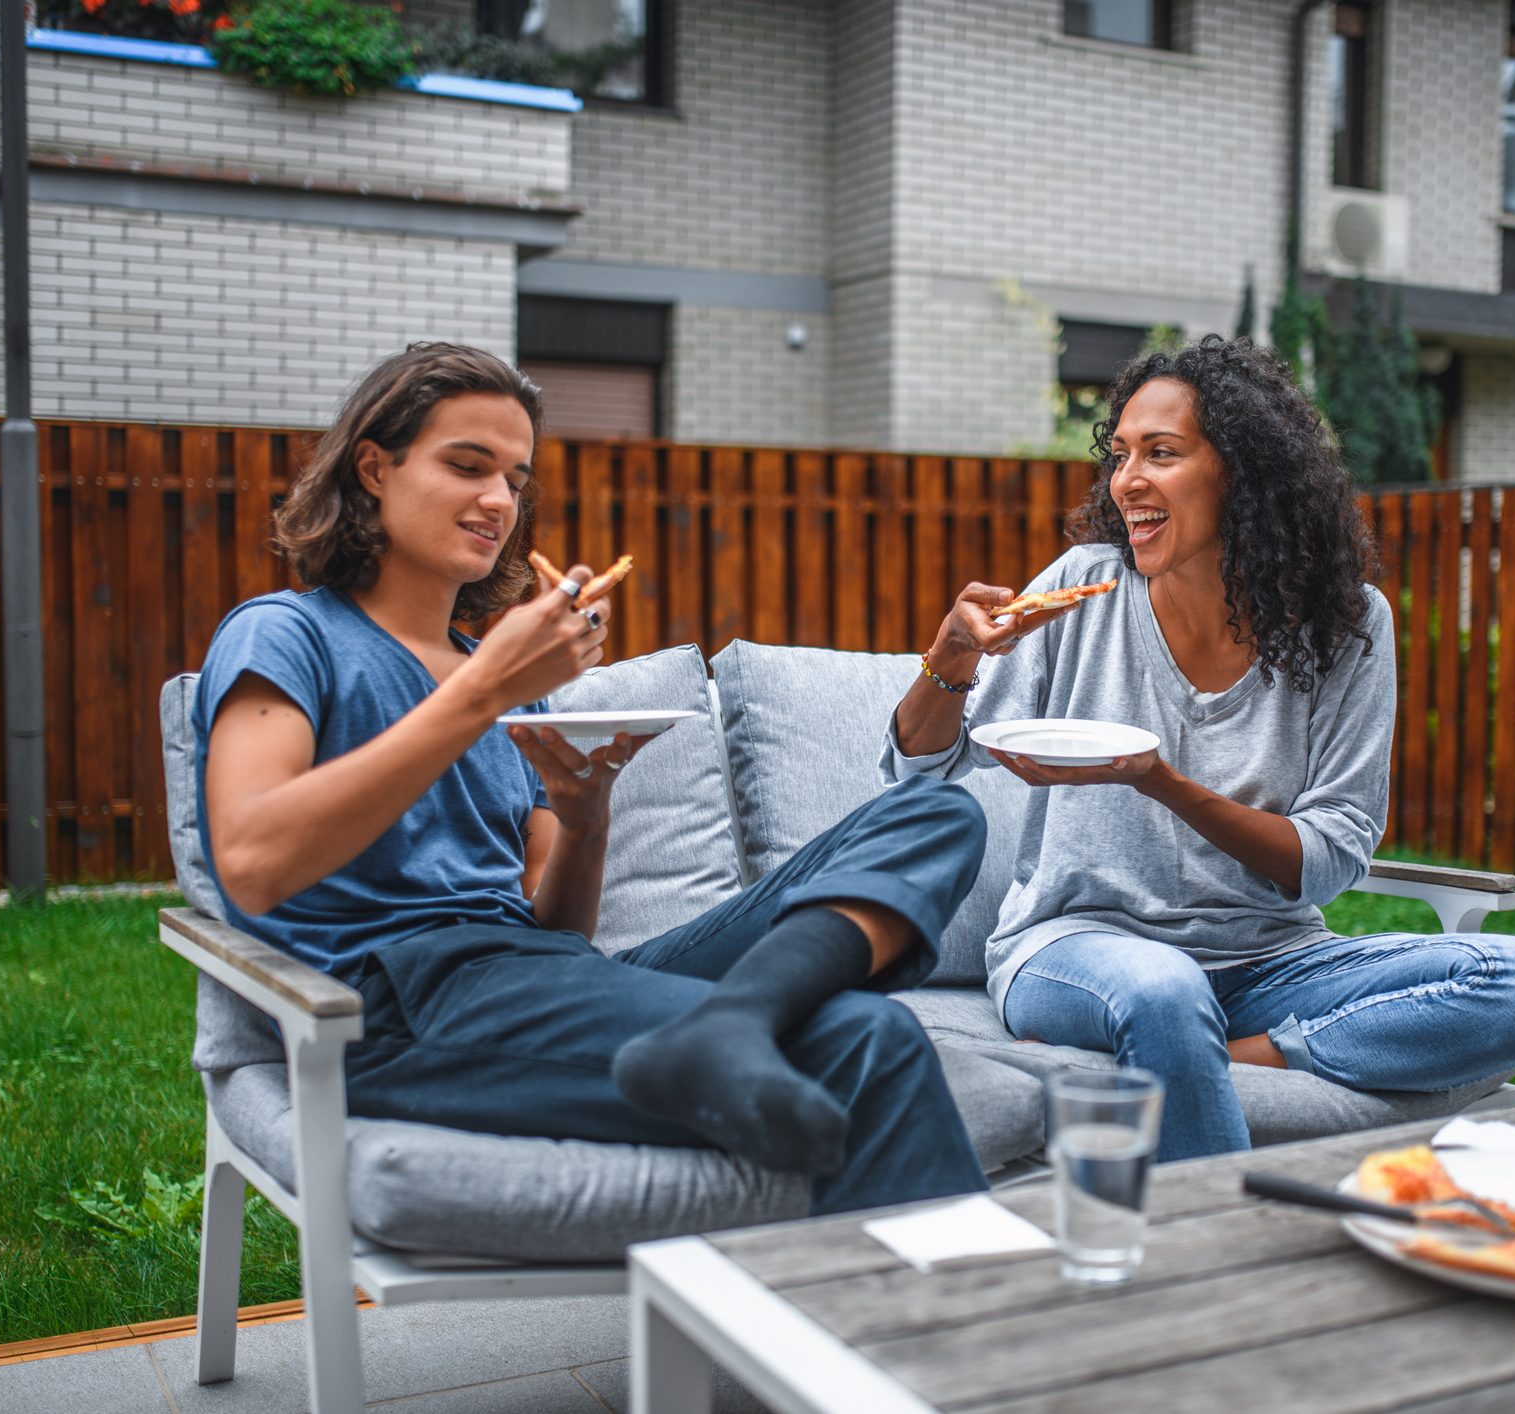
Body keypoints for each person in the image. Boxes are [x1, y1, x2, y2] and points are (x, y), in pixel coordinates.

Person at [194, 341, 988, 1214]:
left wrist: (584, 816)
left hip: (531, 970)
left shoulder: (491, 668)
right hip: (402, 1007)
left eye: (514, 479)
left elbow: (558, 932)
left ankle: (733, 1023)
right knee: (861, 1035)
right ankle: (934, 1338)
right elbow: (252, 859)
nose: (498, 501)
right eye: (467, 466)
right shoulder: (285, 635)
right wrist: (483, 692)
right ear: (374, 468)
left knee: (933, 812)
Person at [885, 335, 1515, 1162]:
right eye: (1121, 455)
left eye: (1162, 453)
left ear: (1241, 473)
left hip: (1274, 959)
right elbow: (922, 765)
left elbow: (1328, 860)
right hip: (1075, 949)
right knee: (1163, 988)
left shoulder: (1346, 626)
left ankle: (1213, 1060)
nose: (1128, 479)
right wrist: (949, 659)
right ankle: (1215, 1235)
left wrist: (1162, 783)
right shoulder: (1085, 589)